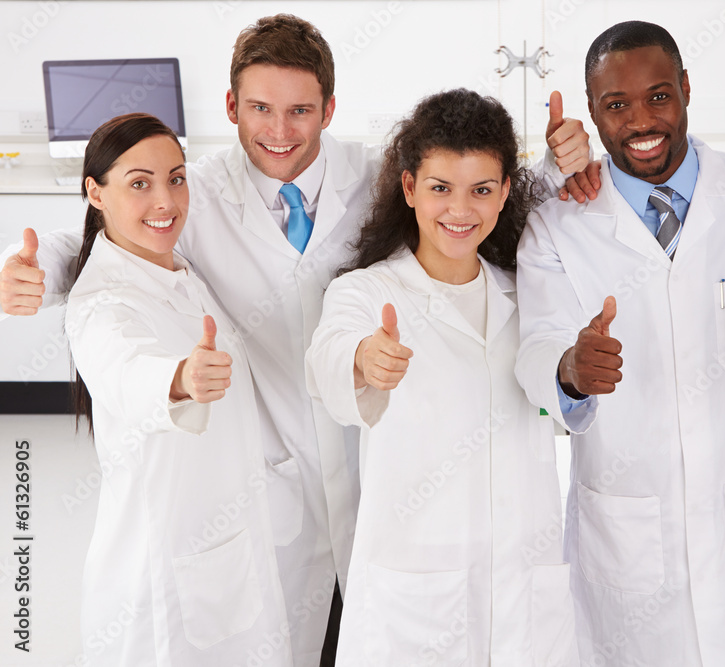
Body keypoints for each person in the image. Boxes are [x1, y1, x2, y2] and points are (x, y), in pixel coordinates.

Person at [0, 14, 592, 666]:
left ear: (329, 108)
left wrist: (563, 166)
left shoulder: (372, 179)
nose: (279, 131)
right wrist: (34, 270)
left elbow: (475, 195)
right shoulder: (193, 194)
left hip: (378, 484)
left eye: (300, 110)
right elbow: (111, 232)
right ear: (231, 106)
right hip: (269, 494)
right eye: (259, 108)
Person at [515, 20, 725, 667]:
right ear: (592, 113)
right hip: (626, 533)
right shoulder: (560, 223)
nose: (641, 119)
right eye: (616, 105)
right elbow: (533, 344)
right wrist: (569, 369)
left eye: (658, 96)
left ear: (686, 90)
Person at [305, 88, 577, 666]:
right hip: (417, 595)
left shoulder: (524, 291)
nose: (461, 210)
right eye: (440, 189)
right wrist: (362, 358)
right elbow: (328, 357)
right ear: (409, 188)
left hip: (523, 581)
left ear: (505, 193)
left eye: (481, 190)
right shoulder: (367, 291)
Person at [67, 112, 291, 665]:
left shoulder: (177, 268)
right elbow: (124, 369)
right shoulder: (102, 303)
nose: (166, 201)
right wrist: (179, 379)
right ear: (96, 193)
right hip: (160, 583)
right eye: (139, 183)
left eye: (176, 178)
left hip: (227, 549)